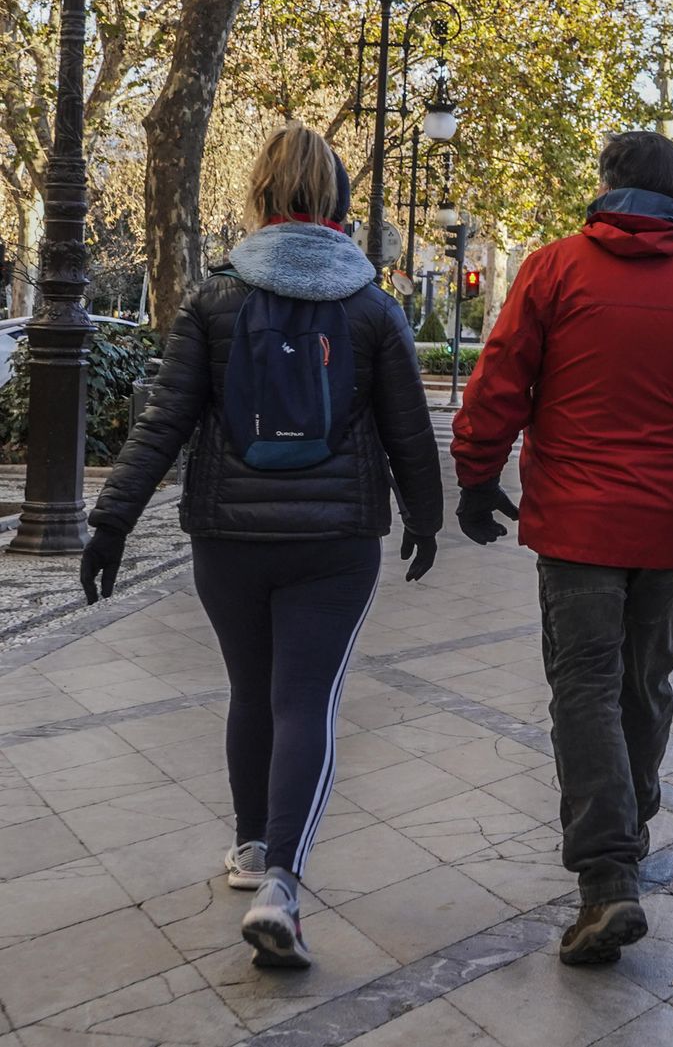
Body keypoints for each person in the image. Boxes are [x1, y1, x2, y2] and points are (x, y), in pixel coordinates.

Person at [79, 122, 441, 969]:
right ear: (339, 200)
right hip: (336, 539)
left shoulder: (214, 298)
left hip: (228, 535)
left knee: (251, 690)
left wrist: (111, 522)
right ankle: (283, 881)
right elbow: (408, 432)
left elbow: (163, 419)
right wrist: (425, 518)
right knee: (302, 699)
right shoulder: (372, 304)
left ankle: (248, 848)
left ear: (260, 195)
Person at [450, 131, 673, 967]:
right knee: (644, 682)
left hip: (575, 525)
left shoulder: (553, 268)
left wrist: (475, 472)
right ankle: (627, 834)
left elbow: (500, 377)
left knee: (584, 688)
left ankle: (608, 876)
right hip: (668, 526)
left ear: (607, 185)